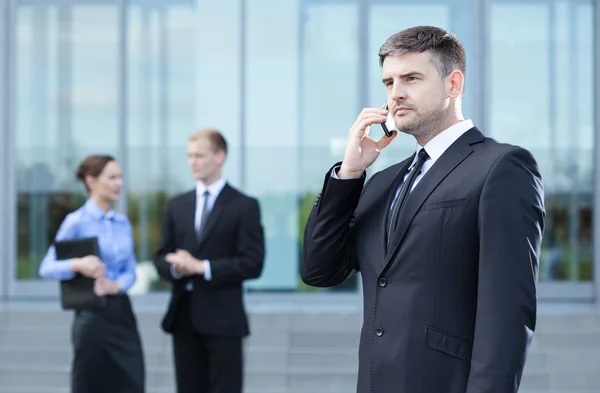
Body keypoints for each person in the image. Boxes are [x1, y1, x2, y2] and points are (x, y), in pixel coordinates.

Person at [301, 26, 545, 393]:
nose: (396, 93)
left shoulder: (502, 167)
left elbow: (507, 314)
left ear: (453, 84)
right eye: (388, 82)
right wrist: (349, 174)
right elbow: (320, 270)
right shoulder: (382, 183)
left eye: (411, 78)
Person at [154, 128, 265, 393]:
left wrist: (202, 267)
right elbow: (160, 258)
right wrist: (176, 267)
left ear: (220, 156)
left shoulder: (244, 205)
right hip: (184, 318)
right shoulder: (177, 205)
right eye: (190, 156)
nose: (193, 162)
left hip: (224, 321)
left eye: (200, 155)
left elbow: (253, 263)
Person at [38, 155, 145, 393]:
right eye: (112, 177)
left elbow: (131, 271)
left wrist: (115, 286)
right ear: (91, 182)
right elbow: (46, 267)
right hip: (91, 316)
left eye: (121, 177)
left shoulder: (122, 223)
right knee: (91, 384)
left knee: (132, 382)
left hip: (122, 314)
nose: (119, 183)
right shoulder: (76, 222)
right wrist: (77, 264)